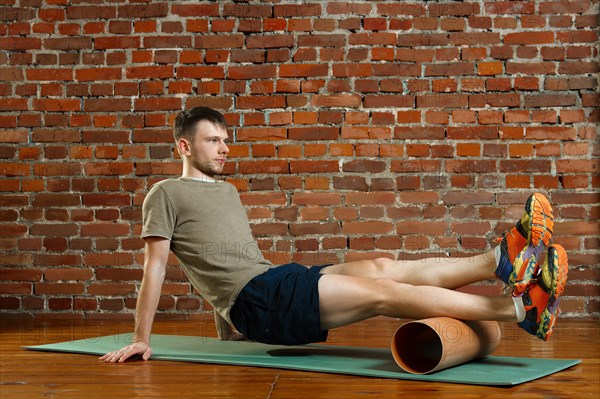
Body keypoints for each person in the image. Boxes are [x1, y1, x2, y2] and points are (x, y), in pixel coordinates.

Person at [100, 107, 568, 363]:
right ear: (184, 146)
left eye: (225, 139)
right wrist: (143, 337)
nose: (224, 148)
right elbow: (157, 268)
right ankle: (521, 309)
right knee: (384, 293)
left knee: (383, 266)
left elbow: (217, 268)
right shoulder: (164, 193)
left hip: (271, 285)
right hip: (262, 301)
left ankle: (500, 261)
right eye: (212, 140)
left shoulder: (226, 192)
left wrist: (229, 332)